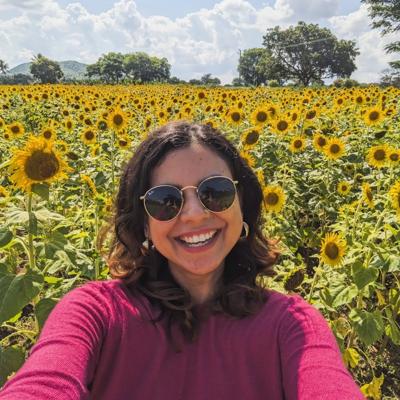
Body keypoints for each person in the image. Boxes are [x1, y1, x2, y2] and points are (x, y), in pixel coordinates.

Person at [0, 121, 365, 399]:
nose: (193, 214)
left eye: (215, 192)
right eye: (165, 200)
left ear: (243, 204)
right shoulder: (96, 315)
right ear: (144, 222)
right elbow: (45, 382)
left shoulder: (292, 327)